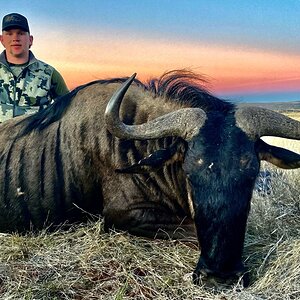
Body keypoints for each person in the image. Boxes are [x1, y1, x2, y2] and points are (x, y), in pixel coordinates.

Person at [0, 13, 69, 122]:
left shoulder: (49, 73)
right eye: (9, 34)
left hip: (37, 138)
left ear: (30, 40)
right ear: (2, 40)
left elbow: (69, 109)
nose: (15, 38)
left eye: (21, 33)